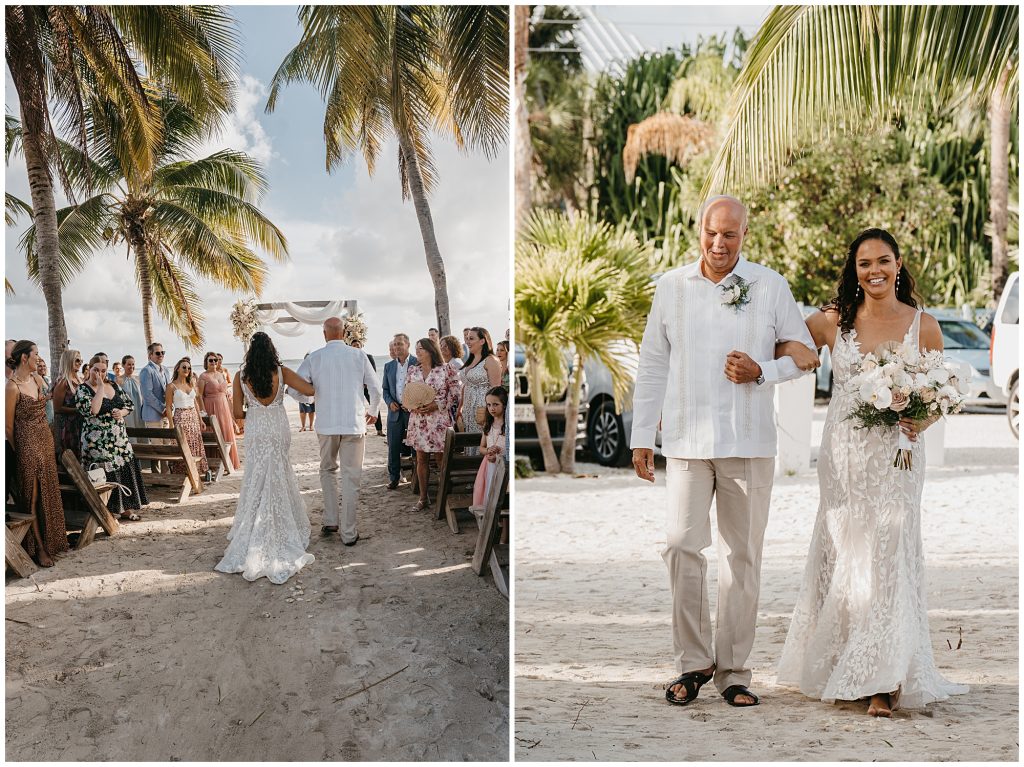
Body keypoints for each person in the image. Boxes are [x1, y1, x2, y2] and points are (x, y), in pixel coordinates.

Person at [630, 195, 820, 708]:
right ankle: (693, 664)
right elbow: (652, 364)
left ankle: (735, 671)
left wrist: (763, 371)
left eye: (730, 234)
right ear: (699, 231)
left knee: (743, 558)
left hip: (749, 443)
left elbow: (804, 355)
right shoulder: (671, 287)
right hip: (688, 445)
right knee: (680, 547)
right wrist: (642, 436)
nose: (719, 243)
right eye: (711, 232)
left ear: (744, 236)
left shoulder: (770, 285)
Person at [775, 228, 969, 716]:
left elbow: (943, 393)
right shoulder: (833, 321)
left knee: (888, 556)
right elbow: (786, 346)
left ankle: (881, 680)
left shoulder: (922, 325)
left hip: (898, 458)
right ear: (854, 269)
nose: (874, 271)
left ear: (899, 264)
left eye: (883, 260)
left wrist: (920, 417)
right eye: (864, 263)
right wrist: (797, 355)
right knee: (845, 553)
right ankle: (844, 661)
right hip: (842, 457)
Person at [216, 332, 316, 584]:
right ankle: (283, 523)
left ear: (250, 351)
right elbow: (309, 390)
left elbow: (237, 412)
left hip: (257, 428)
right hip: (278, 425)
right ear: (272, 349)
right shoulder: (281, 372)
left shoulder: (241, 376)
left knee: (257, 474)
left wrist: (253, 405)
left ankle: (254, 525)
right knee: (280, 470)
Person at [295, 317, 381, 544]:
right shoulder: (359, 355)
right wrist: (372, 410)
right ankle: (349, 533)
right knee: (351, 477)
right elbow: (376, 388)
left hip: (326, 425)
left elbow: (294, 389)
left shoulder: (314, 357)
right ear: (344, 333)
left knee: (327, 470)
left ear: (324, 334)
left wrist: (310, 397)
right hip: (353, 423)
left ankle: (331, 520)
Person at [6, 340, 67, 566]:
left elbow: (45, 413)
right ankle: (39, 548)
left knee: (49, 490)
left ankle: (54, 542)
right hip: (26, 444)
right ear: (24, 358)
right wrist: (21, 448)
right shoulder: (12, 386)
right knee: (31, 496)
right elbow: (9, 427)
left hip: (45, 440)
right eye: (36, 355)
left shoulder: (37, 379)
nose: (38, 359)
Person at [76, 354, 149, 519]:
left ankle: (125, 508)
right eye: (96, 370)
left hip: (119, 440)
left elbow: (129, 405)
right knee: (105, 473)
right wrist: (100, 387)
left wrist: (121, 412)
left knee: (123, 469)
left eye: (103, 371)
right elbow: (92, 410)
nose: (100, 374)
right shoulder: (82, 389)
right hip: (98, 442)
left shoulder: (114, 385)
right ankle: (108, 510)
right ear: (90, 369)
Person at [404, 338, 459, 511]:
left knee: (441, 458)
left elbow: (455, 393)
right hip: (419, 420)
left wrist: (437, 405)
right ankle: (423, 498)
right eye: (416, 349)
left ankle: (444, 495)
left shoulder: (446, 369)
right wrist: (413, 406)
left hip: (439, 420)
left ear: (430, 350)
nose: (418, 352)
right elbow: (406, 394)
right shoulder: (413, 371)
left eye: (421, 349)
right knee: (421, 459)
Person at [165, 357, 210, 481]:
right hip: (180, 417)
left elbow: (195, 402)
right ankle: (183, 475)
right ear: (178, 369)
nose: (187, 369)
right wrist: (171, 424)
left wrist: (200, 420)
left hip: (193, 418)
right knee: (184, 446)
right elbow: (168, 407)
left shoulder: (191, 384)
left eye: (189, 368)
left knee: (195, 444)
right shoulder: (171, 386)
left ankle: (195, 473)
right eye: (184, 367)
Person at [458, 327, 502, 451]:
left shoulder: (490, 360)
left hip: (482, 410)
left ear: (482, 341)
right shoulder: (470, 360)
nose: (468, 341)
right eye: (467, 339)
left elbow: (496, 389)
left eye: (471, 338)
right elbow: (465, 385)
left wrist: (489, 412)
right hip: (468, 410)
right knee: (470, 445)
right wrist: (460, 408)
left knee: (482, 445)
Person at [382, 333, 415, 489]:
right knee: (393, 446)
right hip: (395, 413)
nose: (397, 347)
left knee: (415, 446)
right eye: (395, 344)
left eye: (400, 344)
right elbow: (385, 389)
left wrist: (413, 403)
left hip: (413, 412)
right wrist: (389, 403)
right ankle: (394, 478)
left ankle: (416, 477)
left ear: (407, 344)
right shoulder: (389, 366)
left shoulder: (417, 363)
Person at [198, 351, 240, 469]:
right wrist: (203, 411)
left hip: (224, 407)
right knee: (214, 433)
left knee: (226, 431)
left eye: (215, 360)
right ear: (206, 362)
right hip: (211, 406)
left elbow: (225, 393)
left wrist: (231, 413)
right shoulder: (203, 376)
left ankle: (228, 463)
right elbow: (199, 395)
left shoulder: (221, 374)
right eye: (210, 360)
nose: (213, 362)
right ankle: (215, 464)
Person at [472, 386, 507, 507]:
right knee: (489, 493)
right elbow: (481, 447)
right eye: (489, 405)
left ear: (504, 404)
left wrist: (501, 453)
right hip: (489, 466)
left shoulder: (508, 425)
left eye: (496, 404)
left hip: (503, 466)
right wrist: (488, 450)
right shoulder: (488, 424)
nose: (492, 408)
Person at [139, 342, 171, 472]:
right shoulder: (146, 371)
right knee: (157, 446)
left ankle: (166, 474)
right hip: (153, 414)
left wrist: (170, 407)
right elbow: (148, 395)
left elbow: (169, 391)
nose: (161, 355)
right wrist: (162, 408)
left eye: (162, 352)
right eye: (157, 353)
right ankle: (157, 476)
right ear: (150, 355)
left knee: (167, 444)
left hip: (166, 414)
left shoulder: (166, 370)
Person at [52, 348, 84, 459]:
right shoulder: (62, 382)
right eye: (77, 360)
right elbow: (57, 408)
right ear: (69, 360)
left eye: (81, 361)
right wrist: (78, 410)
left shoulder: (80, 380)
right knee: (73, 460)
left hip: (82, 425)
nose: (80, 363)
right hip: (70, 427)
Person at [351, 339, 383, 437]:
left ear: (361, 346)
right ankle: (362, 429)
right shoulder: (350, 358)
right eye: (354, 345)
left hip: (368, 387)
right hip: (357, 387)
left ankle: (379, 429)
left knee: (374, 406)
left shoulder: (368, 357)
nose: (356, 346)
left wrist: (366, 383)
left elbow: (373, 372)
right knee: (358, 408)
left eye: (357, 345)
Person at [117, 355, 145, 433]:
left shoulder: (138, 379)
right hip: (128, 413)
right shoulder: (119, 380)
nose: (131, 366)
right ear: (123, 365)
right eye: (129, 364)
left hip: (140, 412)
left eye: (133, 364)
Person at [216, 354, 242, 436]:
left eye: (220, 359)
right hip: (219, 392)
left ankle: (235, 426)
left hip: (227, 391)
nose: (219, 361)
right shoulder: (213, 371)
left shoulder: (225, 370)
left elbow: (230, 382)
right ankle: (231, 425)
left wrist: (227, 387)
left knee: (231, 405)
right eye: (217, 359)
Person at [37, 356, 54, 425]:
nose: (42, 368)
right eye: (40, 366)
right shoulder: (35, 381)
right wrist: (46, 398)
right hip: (43, 416)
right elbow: (36, 401)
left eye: (44, 366)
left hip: (51, 413)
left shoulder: (46, 379)